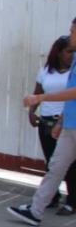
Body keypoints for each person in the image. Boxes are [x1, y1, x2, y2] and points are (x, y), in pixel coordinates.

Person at [8, 18, 76, 225]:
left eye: (73, 31)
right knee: (55, 167)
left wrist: (40, 98)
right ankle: (36, 211)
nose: (70, 34)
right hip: (70, 126)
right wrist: (61, 121)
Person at [28, 36, 76, 215]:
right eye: (68, 52)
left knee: (69, 166)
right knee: (52, 164)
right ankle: (47, 201)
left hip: (66, 123)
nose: (71, 55)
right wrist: (32, 110)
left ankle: (72, 201)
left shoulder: (73, 70)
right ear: (58, 52)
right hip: (49, 122)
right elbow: (37, 91)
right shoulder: (46, 71)